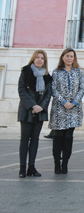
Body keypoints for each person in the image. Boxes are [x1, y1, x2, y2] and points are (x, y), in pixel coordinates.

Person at [49, 48, 84, 175]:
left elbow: (82, 88)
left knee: (68, 137)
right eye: (67, 56)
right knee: (58, 137)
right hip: (59, 109)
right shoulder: (56, 72)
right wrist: (64, 102)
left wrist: (74, 102)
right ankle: (56, 164)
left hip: (74, 111)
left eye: (71, 56)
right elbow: (53, 89)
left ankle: (65, 163)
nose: (69, 58)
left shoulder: (79, 72)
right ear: (62, 57)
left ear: (74, 58)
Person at [17, 50, 52, 178]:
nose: (39, 60)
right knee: (25, 139)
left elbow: (48, 94)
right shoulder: (26, 72)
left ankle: (31, 167)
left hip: (39, 112)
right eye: (37, 57)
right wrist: (33, 105)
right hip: (27, 110)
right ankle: (22, 168)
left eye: (42, 58)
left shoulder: (47, 76)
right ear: (33, 59)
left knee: (35, 139)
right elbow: (21, 90)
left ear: (44, 61)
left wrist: (41, 107)